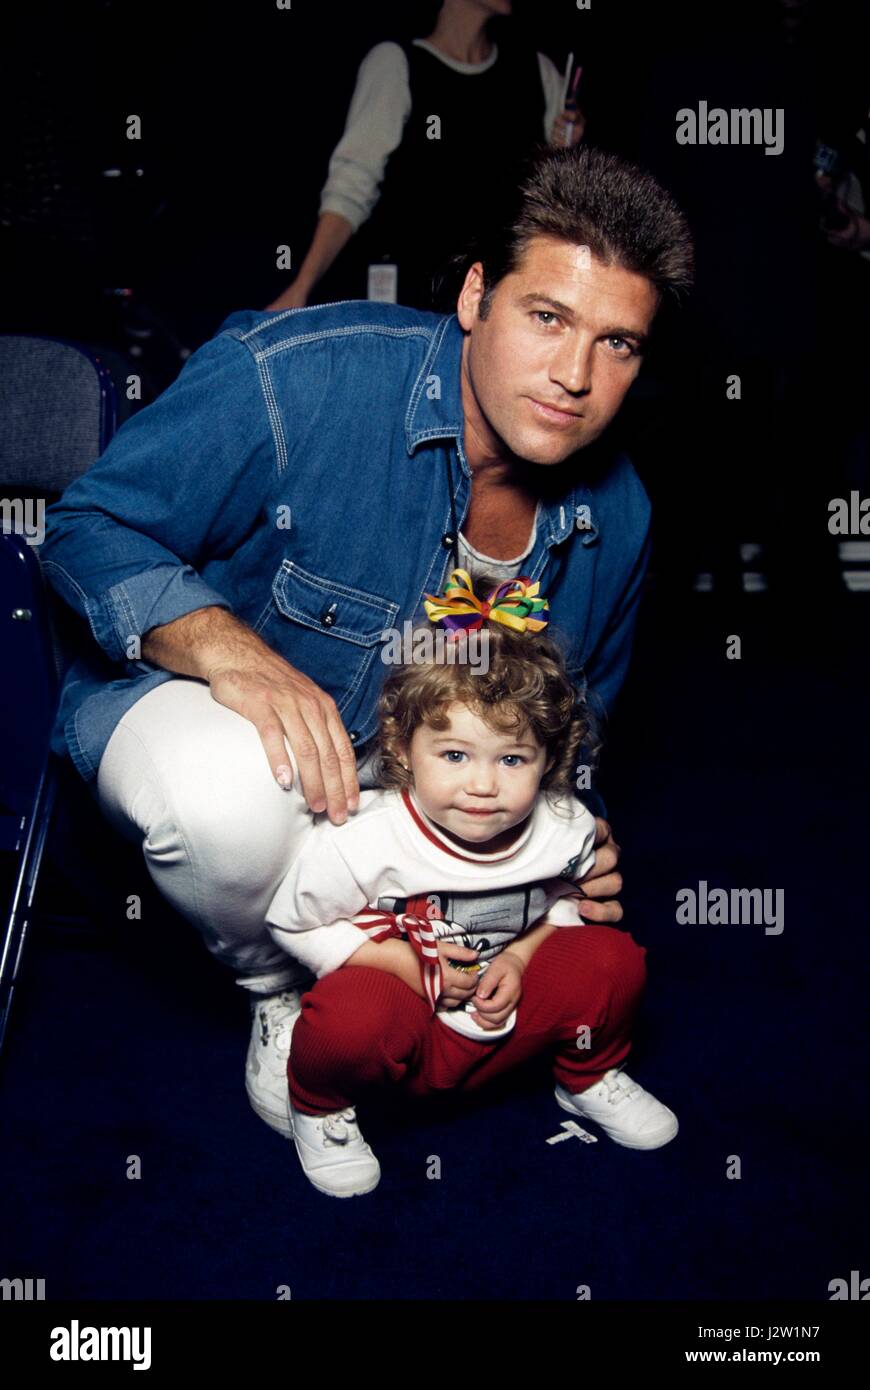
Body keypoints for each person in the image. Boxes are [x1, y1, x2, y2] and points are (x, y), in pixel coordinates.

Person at [38, 144, 693, 1138]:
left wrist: (575, 838)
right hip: (250, 756)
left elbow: (579, 730)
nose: (574, 375)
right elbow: (85, 529)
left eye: (619, 345)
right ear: (477, 295)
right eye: (547, 317)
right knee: (222, 793)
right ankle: (277, 989)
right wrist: (226, 647)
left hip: (420, 814)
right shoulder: (296, 377)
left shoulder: (623, 515)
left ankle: (403, 961)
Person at [263, 572, 676, 1197]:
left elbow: (564, 902)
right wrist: (406, 965)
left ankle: (588, 1076)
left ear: (550, 757)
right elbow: (293, 921)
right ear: (404, 748)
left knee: (612, 960)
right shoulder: (364, 837)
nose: (482, 785)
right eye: (454, 755)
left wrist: (518, 954)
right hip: (411, 1030)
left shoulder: (564, 826)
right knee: (347, 1020)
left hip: (509, 1024)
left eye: (511, 759)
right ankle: (320, 1108)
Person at [267, 0, 585, 312]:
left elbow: (559, 204)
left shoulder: (536, 73)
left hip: (494, 309)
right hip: (408, 309)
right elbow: (352, 187)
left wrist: (566, 154)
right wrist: (301, 287)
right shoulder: (396, 64)